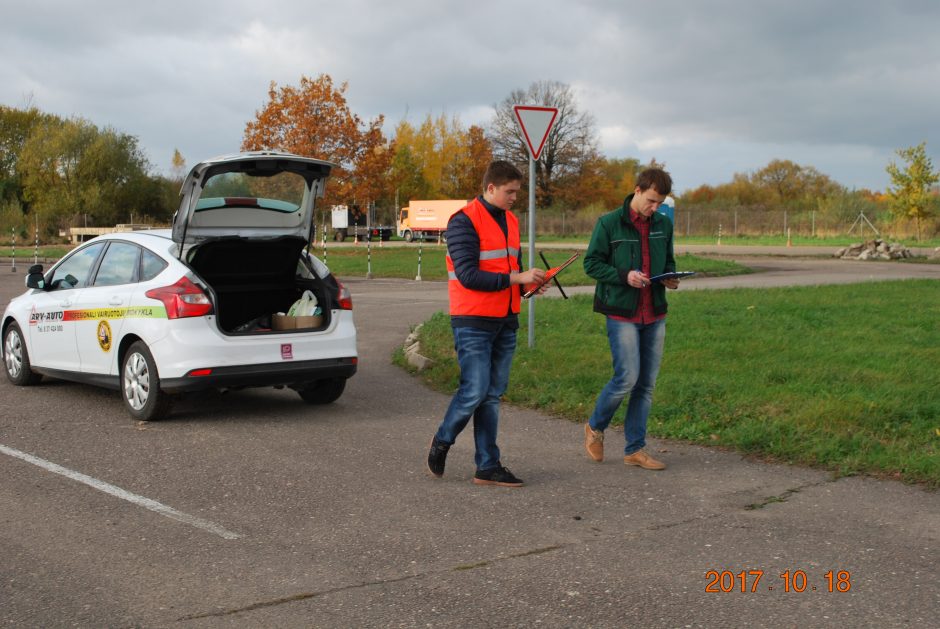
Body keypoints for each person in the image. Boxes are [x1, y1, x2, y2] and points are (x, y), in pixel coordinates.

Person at [426, 160, 546, 487]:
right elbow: (467, 274)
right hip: (473, 320)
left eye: (517, 192)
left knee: (492, 395)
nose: (514, 198)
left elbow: (513, 269)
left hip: (506, 319)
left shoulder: (510, 220)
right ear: (490, 188)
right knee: (475, 390)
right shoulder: (463, 221)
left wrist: (529, 284)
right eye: (509, 192)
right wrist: (516, 277)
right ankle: (442, 441)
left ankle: (488, 465)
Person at [582, 168, 681, 471]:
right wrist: (623, 276)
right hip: (622, 312)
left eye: (659, 202)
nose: (655, 208)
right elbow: (591, 264)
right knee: (627, 378)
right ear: (637, 191)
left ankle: (635, 449)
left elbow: (668, 260)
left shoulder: (663, 224)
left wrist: (671, 278)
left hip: (655, 312)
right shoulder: (609, 223)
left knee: (646, 384)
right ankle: (595, 427)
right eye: (651, 201)